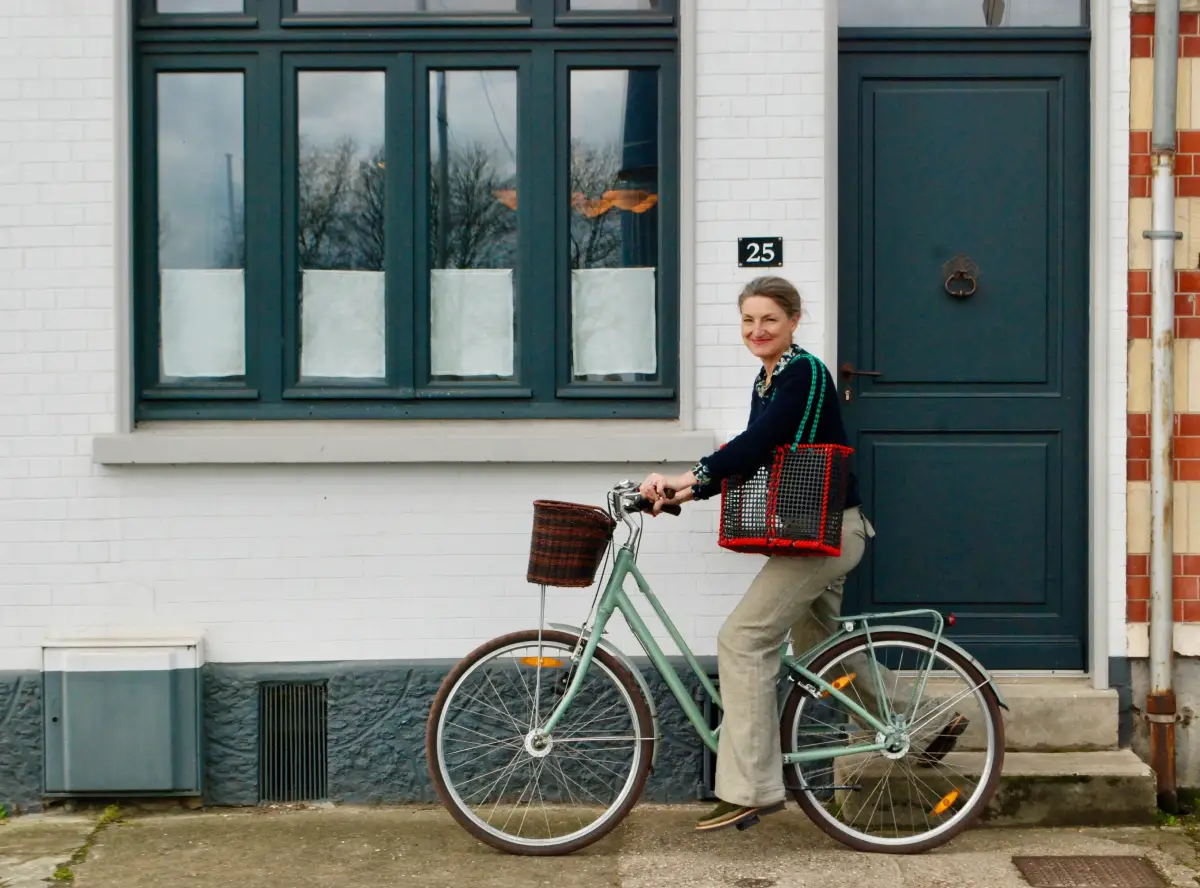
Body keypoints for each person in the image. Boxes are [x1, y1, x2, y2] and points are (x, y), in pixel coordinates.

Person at [639, 276, 967, 833]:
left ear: (793, 320)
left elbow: (759, 443)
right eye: (747, 320)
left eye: (768, 319)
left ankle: (750, 789)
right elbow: (752, 459)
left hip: (827, 536)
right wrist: (685, 493)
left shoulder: (805, 374)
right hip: (810, 532)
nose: (756, 330)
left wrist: (689, 473)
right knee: (825, 651)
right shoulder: (767, 380)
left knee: (742, 640)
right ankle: (925, 716)